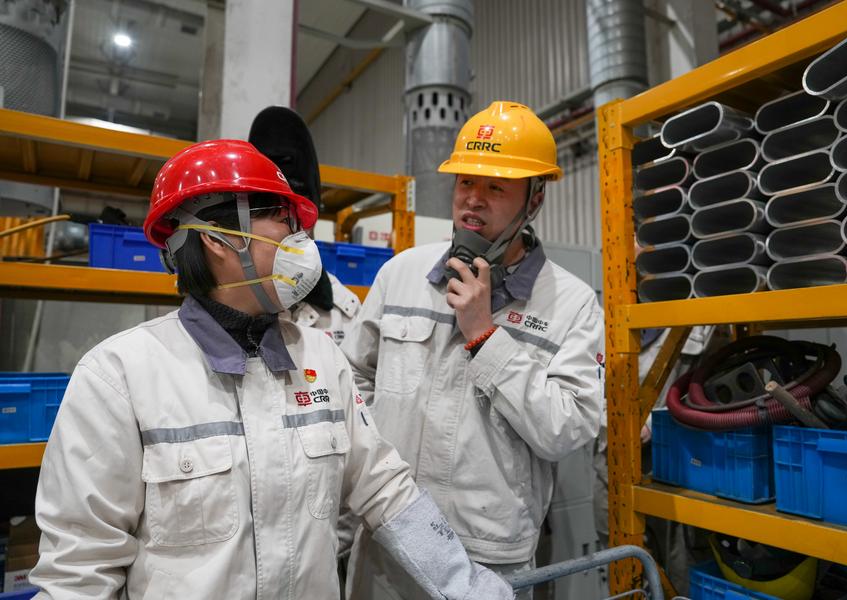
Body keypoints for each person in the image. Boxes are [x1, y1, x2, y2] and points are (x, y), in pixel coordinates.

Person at [28, 139, 512, 599]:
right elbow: (80, 569)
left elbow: (384, 486)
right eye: (282, 220)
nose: (300, 239)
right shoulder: (120, 376)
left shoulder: (321, 358)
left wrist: (465, 583)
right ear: (217, 238)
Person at [342, 101, 605, 599]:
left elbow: (567, 429)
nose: (473, 200)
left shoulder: (570, 304)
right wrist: (378, 480)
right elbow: (350, 381)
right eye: (466, 182)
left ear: (535, 198)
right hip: (386, 542)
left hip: (487, 557)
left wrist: (486, 336)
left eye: (496, 187)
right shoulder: (401, 274)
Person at [249, 105, 360, 346]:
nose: (288, 230)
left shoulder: (345, 312)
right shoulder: (232, 307)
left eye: (299, 213)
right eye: (272, 214)